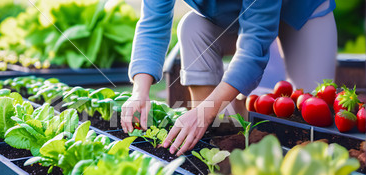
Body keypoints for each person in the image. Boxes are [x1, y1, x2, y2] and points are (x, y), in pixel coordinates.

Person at [121, 0, 337, 156]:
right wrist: (140, 92)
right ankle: (215, 139)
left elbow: (253, 50)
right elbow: (153, 23)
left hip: (298, 10)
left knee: (313, 113)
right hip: (231, 15)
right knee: (192, 27)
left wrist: (207, 110)